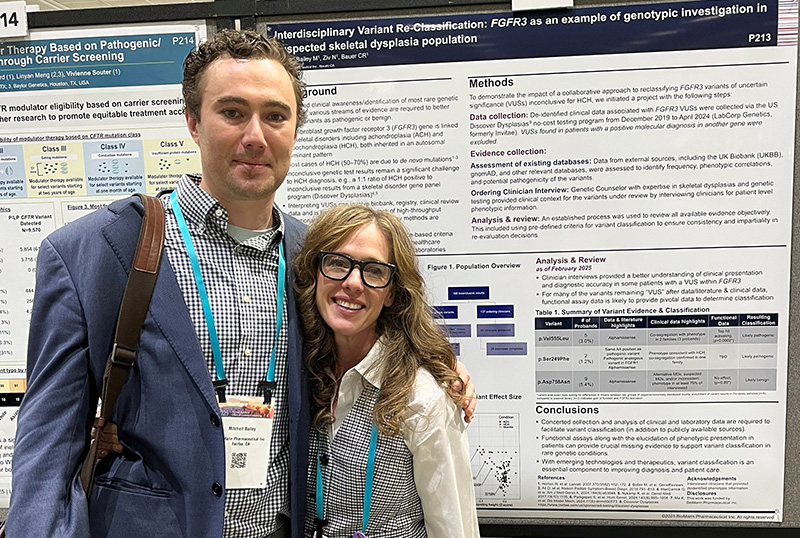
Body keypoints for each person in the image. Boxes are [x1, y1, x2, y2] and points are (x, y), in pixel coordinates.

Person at [7, 29, 474, 538]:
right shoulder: (96, 251)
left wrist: (439, 365)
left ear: (294, 130)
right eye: (232, 112)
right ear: (193, 122)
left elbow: (370, 336)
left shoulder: (313, 258)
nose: (255, 136)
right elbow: (48, 437)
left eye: (275, 116)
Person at [293, 204, 480, 538]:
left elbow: (453, 526)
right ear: (315, 272)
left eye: (374, 271)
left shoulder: (423, 397)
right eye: (337, 263)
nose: (353, 283)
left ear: (392, 292)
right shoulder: (298, 373)